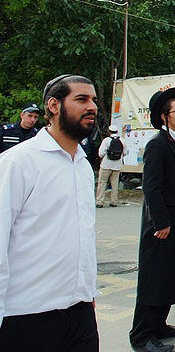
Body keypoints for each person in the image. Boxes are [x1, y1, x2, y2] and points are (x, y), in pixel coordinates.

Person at [0, 75, 99, 352]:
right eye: (81, 99)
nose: (92, 106)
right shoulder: (18, 163)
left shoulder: (81, 163)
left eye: (93, 100)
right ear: (53, 105)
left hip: (80, 312)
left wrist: (87, 289)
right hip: (28, 315)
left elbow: (82, 233)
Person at [130, 88, 175, 352]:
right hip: (160, 224)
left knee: (169, 274)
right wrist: (162, 223)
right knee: (154, 277)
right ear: (164, 117)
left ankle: (159, 324)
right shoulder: (157, 144)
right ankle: (142, 335)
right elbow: (151, 187)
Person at [96, 124, 127, 208]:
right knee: (114, 184)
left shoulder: (106, 140)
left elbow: (100, 153)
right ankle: (114, 201)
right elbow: (125, 153)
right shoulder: (122, 140)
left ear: (109, 132)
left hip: (106, 165)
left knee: (102, 183)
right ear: (117, 131)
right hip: (117, 165)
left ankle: (100, 201)